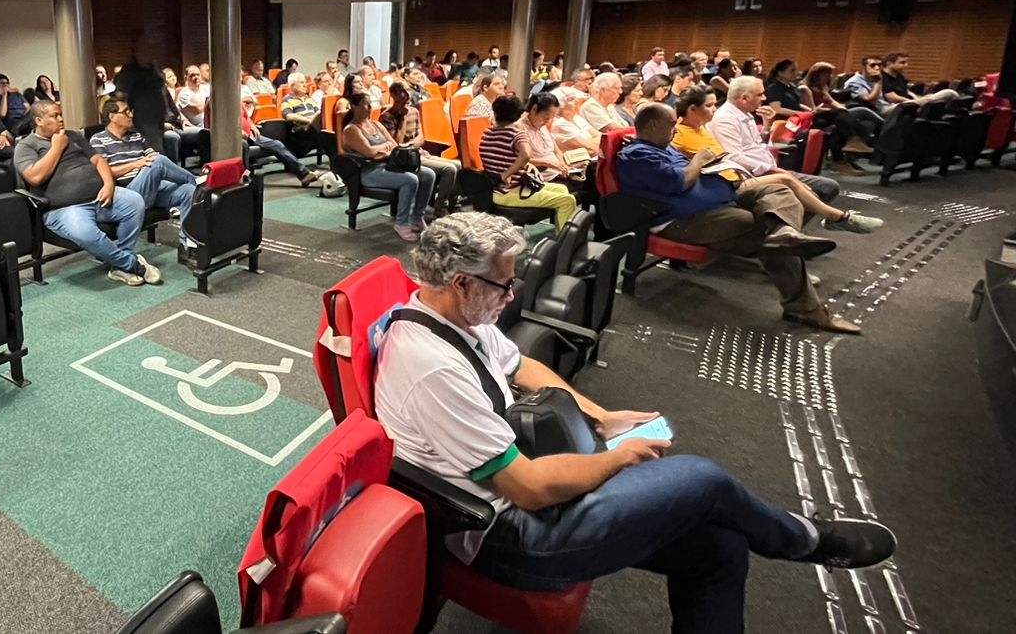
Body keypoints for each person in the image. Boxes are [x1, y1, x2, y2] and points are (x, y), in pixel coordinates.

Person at [375, 212, 896, 634]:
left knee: (719, 548)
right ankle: (806, 541)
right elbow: (529, 489)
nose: (511, 297)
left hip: (524, 495)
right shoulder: (433, 368)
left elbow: (520, 366)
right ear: (461, 282)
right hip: (512, 537)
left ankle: (800, 538)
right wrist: (617, 459)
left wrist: (602, 417)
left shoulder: (458, 316)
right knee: (703, 478)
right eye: (503, 286)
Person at [621, 104, 861, 332]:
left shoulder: (664, 147)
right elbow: (679, 182)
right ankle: (805, 306)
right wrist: (698, 160)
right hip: (683, 220)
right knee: (754, 224)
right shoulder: (637, 154)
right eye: (672, 124)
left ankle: (784, 232)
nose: (675, 129)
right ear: (653, 125)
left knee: (779, 191)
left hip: (724, 198)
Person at [671, 87, 881, 234]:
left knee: (801, 189)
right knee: (786, 181)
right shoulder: (680, 134)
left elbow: (749, 150)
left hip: (737, 175)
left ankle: (789, 237)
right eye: (709, 105)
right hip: (727, 182)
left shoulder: (703, 128)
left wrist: (767, 126)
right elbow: (681, 168)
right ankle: (839, 218)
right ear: (692, 109)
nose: (714, 109)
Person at [16, 101, 157, 287]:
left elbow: (98, 160)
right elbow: (35, 177)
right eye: (54, 116)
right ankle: (131, 264)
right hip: (65, 208)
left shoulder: (73, 135)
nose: (61, 119)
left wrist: (108, 184)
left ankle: (120, 266)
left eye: (61, 114)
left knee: (134, 201)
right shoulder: (26, 146)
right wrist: (57, 147)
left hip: (100, 197)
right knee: (86, 234)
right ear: (39, 121)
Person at [709, 77, 841, 201]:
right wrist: (774, 170)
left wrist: (767, 125)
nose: (764, 98)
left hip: (769, 169)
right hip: (754, 176)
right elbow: (733, 158)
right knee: (818, 192)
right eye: (760, 94)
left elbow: (757, 144)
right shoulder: (725, 119)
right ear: (744, 98)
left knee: (829, 187)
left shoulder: (745, 114)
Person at [92, 98, 197, 250]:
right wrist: (136, 164)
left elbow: (152, 156)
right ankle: (197, 181)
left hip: (151, 186)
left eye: (130, 111)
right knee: (158, 162)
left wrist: (147, 164)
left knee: (188, 191)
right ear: (112, 116)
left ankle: (187, 246)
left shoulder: (136, 136)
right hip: (128, 192)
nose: (131, 115)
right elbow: (105, 172)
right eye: (126, 112)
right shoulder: (98, 140)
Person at [340, 92, 436, 242]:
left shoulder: (376, 125)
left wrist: (382, 149)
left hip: (389, 165)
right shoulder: (351, 130)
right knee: (410, 180)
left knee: (428, 175)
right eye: (366, 104)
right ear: (354, 107)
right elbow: (369, 152)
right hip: (368, 172)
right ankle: (401, 223)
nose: (370, 108)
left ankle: (417, 217)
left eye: (370, 104)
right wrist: (384, 147)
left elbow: (394, 145)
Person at [479, 95, 579, 231]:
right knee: (568, 200)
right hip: (508, 192)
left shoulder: (487, 133)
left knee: (561, 189)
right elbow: (525, 155)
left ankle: (560, 230)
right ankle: (564, 241)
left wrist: (527, 165)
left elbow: (503, 158)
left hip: (494, 189)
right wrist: (506, 174)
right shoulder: (517, 134)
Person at [383, 82, 458, 213]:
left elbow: (421, 138)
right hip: (404, 159)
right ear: (393, 95)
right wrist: (402, 118)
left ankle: (449, 202)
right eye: (402, 92)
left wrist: (411, 147)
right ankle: (440, 207)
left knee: (458, 165)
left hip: (418, 152)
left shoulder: (414, 111)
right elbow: (396, 145)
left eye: (407, 90)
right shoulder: (386, 116)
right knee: (449, 169)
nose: (406, 95)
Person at [802, 62, 882, 167]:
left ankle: (848, 158)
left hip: (833, 115)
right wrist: (836, 111)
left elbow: (832, 102)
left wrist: (843, 109)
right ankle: (883, 128)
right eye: (827, 73)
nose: (829, 76)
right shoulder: (805, 88)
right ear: (817, 74)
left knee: (865, 125)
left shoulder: (822, 87)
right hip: (818, 117)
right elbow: (812, 110)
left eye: (830, 73)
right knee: (863, 111)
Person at [239, 92, 321, 187]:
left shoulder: (238, 102)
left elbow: (246, 117)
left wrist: (252, 125)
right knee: (247, 146)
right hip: (237, 137)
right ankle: (244, 180)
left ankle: (304, 175)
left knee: (277, 144)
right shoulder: (227, 106)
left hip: (251, 135)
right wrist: (239, 131)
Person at [878, 53, 960, 108]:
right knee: (949, 93)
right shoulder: (882, 77)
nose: (906, 65)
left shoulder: (898, 75)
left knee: (945, 95)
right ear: (889, 63)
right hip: (899, 105)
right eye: (902, 62)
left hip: (910, 102)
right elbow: (891, 97)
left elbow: (907, 91)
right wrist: (913, 102)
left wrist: (917, 99)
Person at [549, 87, 602, 154]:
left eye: (575, 98)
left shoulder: (577, 118)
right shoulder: (560, 124)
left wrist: (591, 142)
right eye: (571, 99)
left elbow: (602, 137)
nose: (577, 101)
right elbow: (591, 148)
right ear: (560, 106)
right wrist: (595, 142)